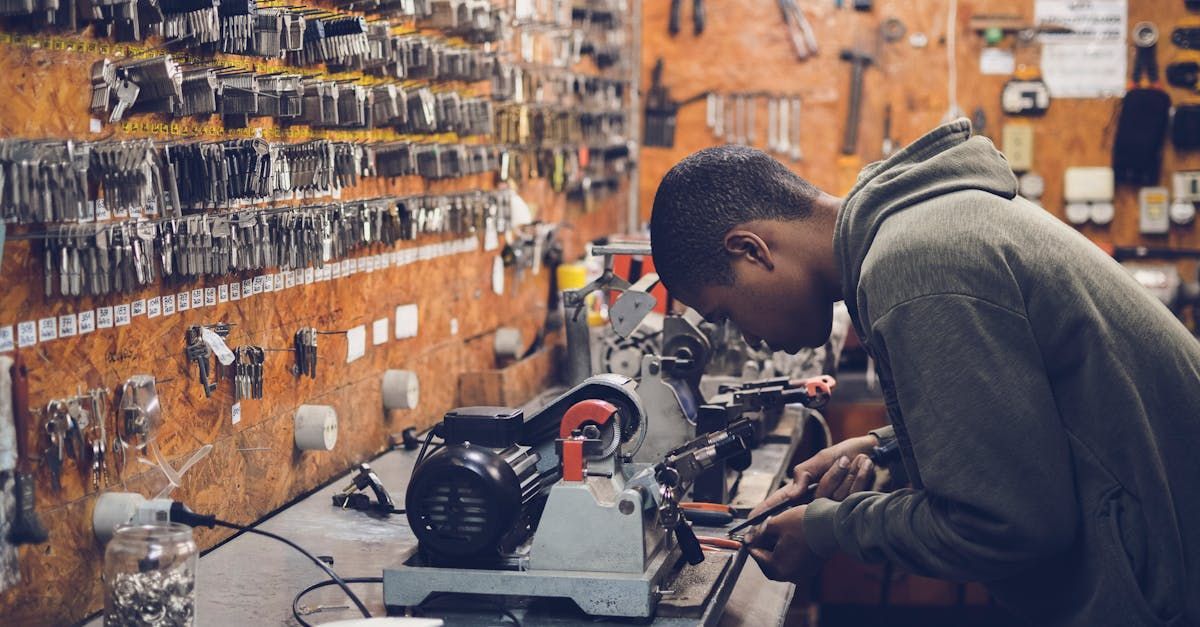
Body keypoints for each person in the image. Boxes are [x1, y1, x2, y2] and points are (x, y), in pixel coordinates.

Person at [648, 119, 1200, 626]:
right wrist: (883, 444)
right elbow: (1034, 407)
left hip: (1166, 586)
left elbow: (1005, 525)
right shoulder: (921, 229)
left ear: (751, 249)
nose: (748, 338)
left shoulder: (915, 266)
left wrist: (829, 530)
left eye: (726, 314)